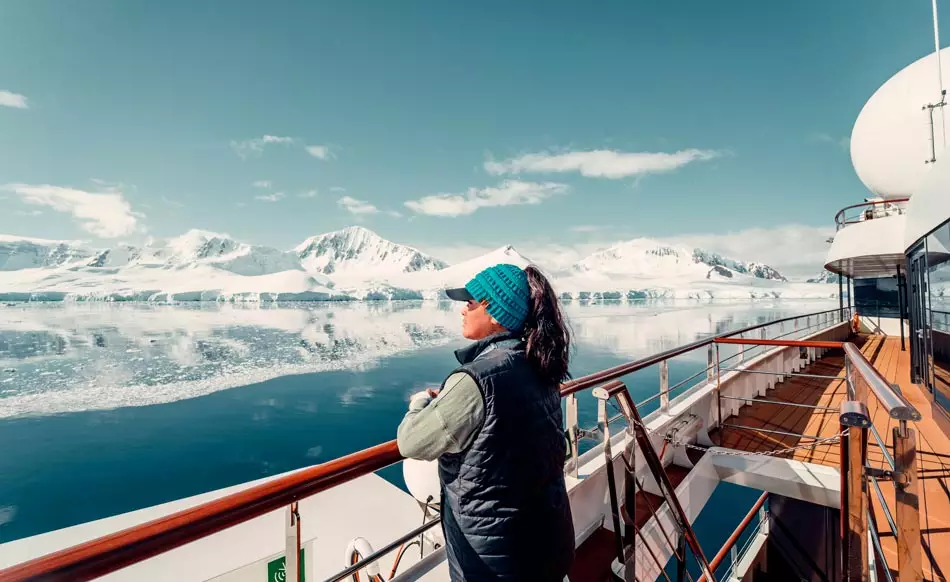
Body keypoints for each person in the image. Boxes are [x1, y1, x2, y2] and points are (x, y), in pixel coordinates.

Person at [396, 263, 576, 581]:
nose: (462, 311)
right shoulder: (540, 364)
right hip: (549, 541)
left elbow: (411, 441)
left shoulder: (477, 379)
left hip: (496, 564)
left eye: (470, 302)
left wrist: (420, 403)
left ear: (494, 313)